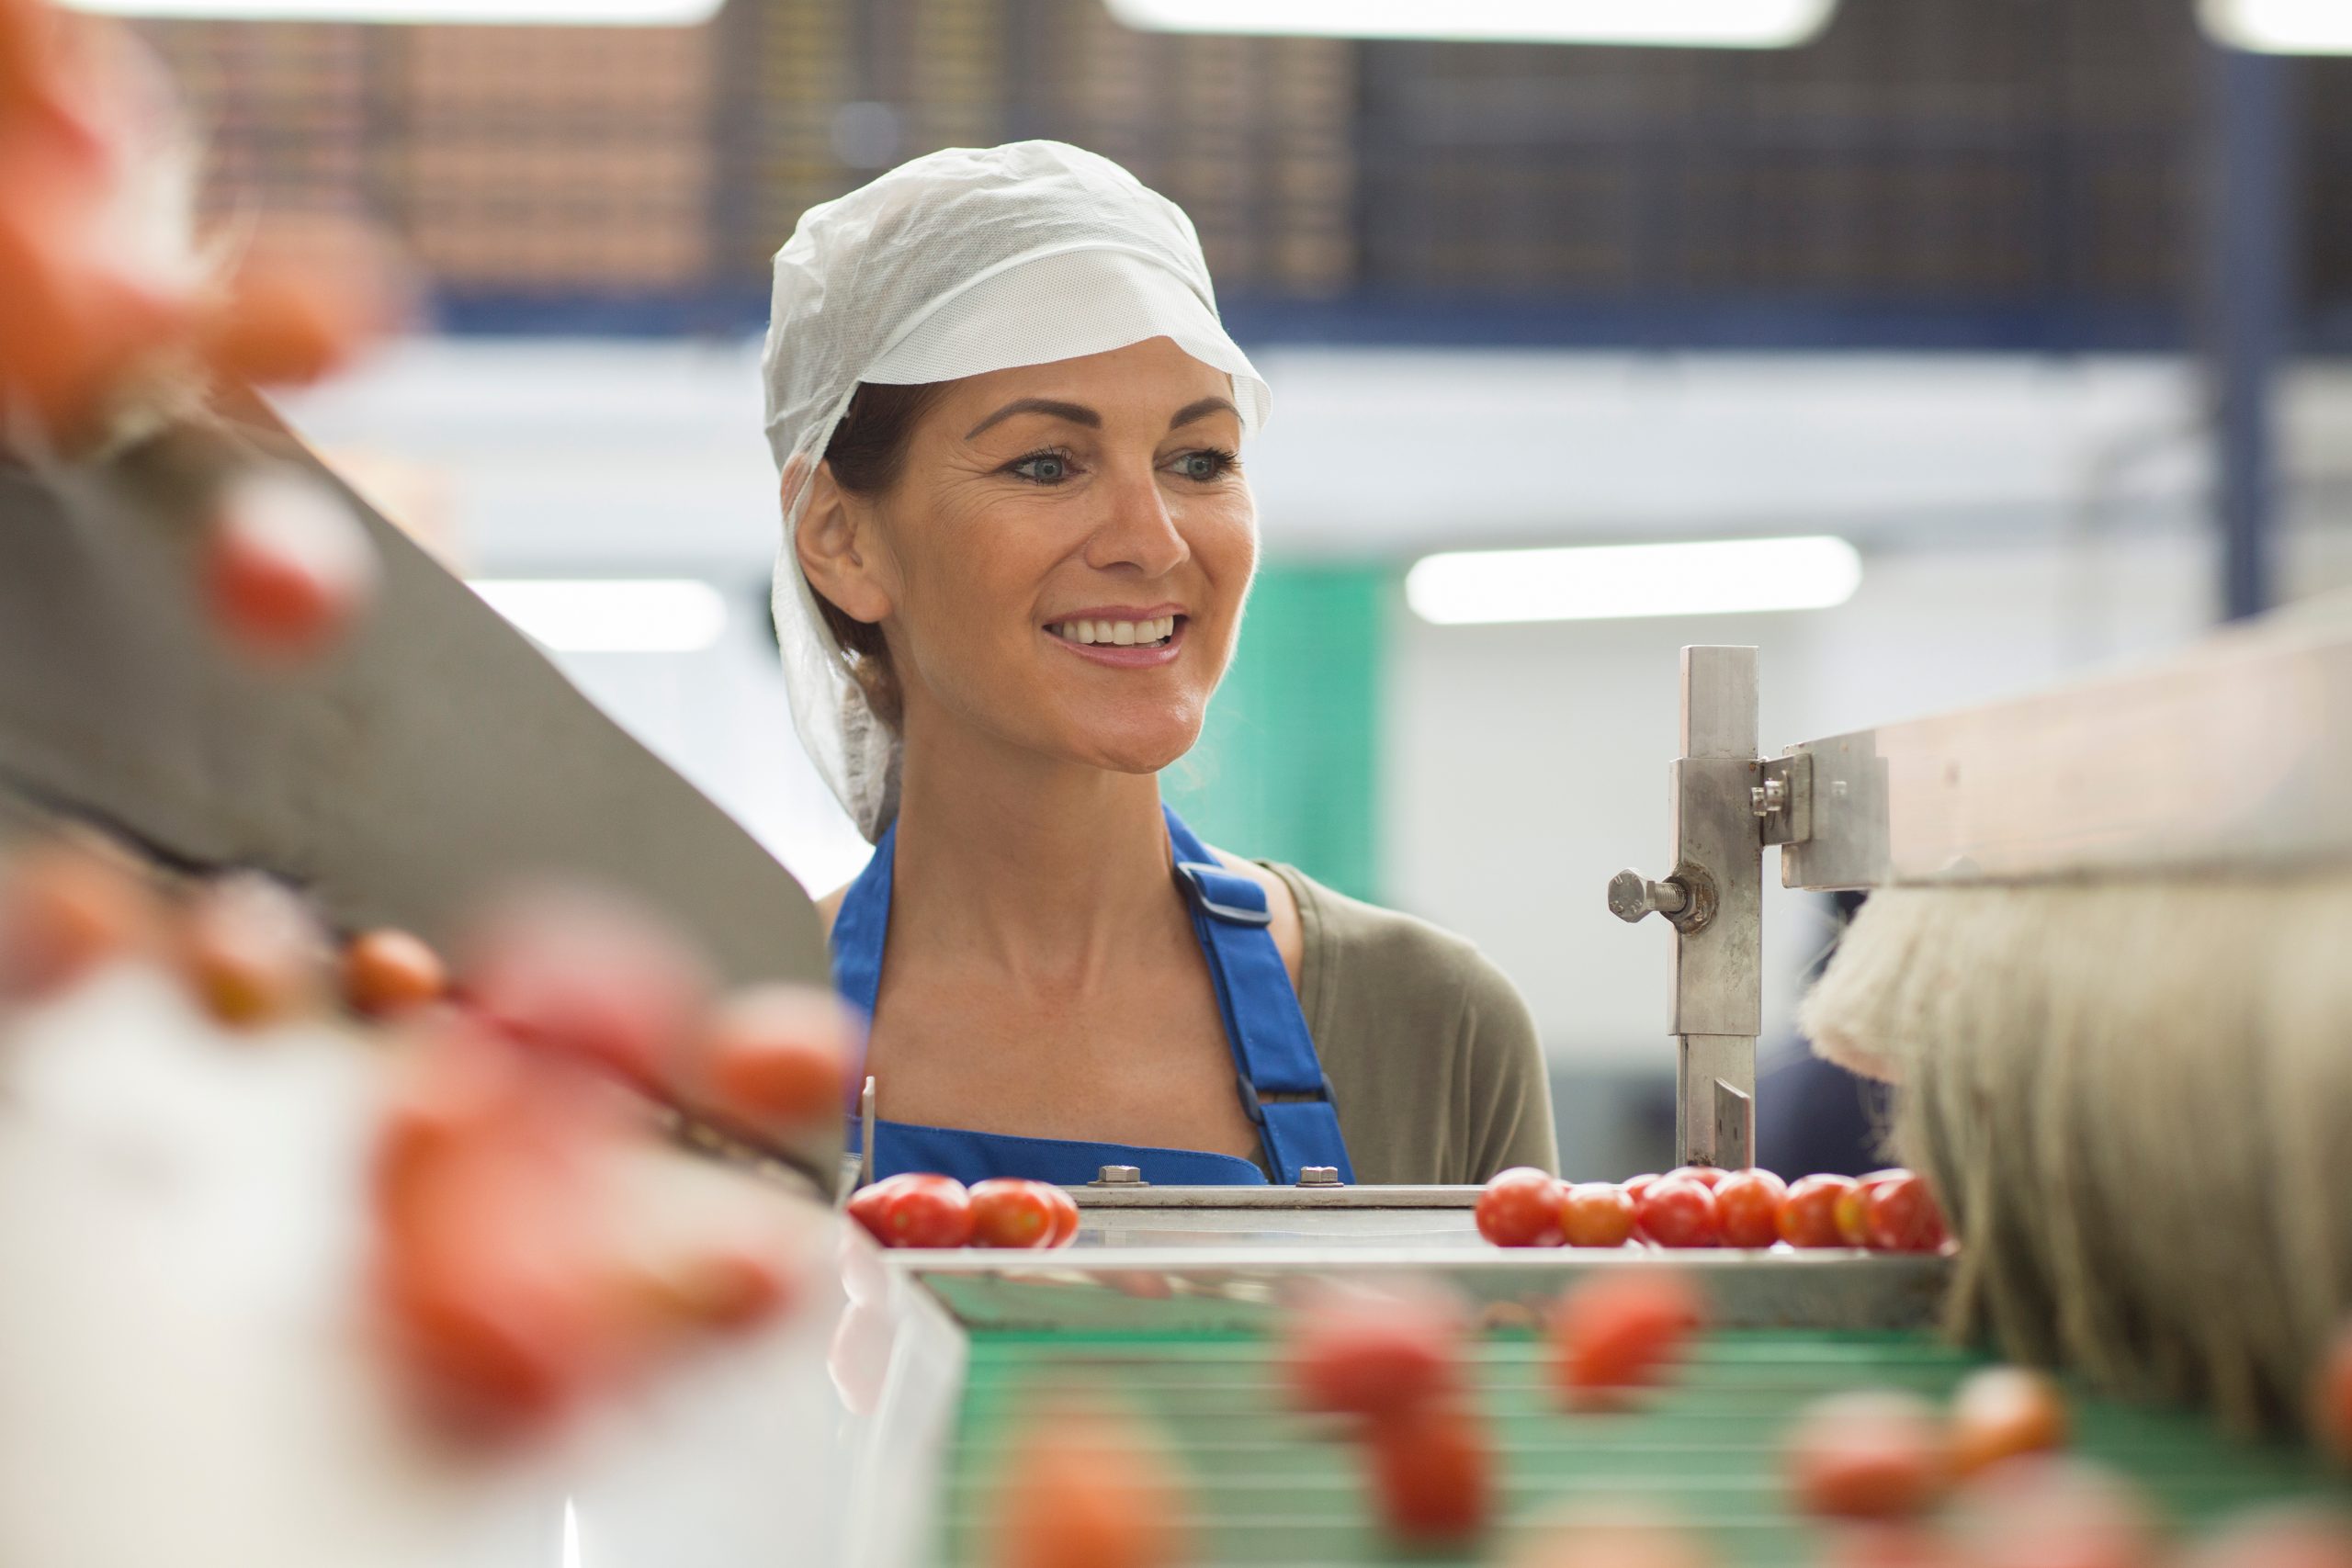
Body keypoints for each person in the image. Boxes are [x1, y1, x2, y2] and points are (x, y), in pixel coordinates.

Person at [762, 141, 1555, 1188]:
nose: (1154, 540)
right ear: (840, 541)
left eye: (1199, 461)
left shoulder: (1430, 1023)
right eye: (1046, 464)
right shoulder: (723, 1049)